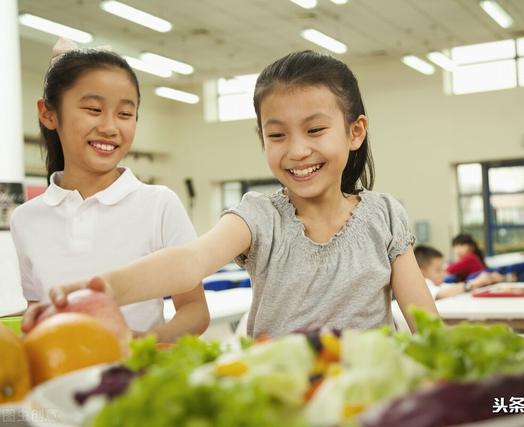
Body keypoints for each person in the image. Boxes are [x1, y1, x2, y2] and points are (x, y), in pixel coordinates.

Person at [23, 50, 438, 338]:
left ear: (354, 132)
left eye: (315, 130)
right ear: (262, 139)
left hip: (370, 403)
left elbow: (425, 324)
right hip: (277, 402)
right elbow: (189, 261)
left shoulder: (384, 216)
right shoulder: (258, 216)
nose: (297, 150)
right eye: (277, 135)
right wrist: (103, 288)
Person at [11, 40, 208, 342]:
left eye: (125, 114)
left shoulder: (158, 204)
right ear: (48, 113)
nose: (110, 126)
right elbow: (37, 310)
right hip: (60, 378)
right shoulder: (26, 219)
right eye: (93, 109)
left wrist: (146, 343)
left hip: (135, 380)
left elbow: (194, 309)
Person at [414, 245, 502, 299]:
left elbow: (455, 288)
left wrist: (484, 281)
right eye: (438, 270)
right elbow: (441, 294)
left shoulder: (439, 285)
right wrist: (476, 283)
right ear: (421, 272)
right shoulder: (423, 285)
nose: (443, 273)